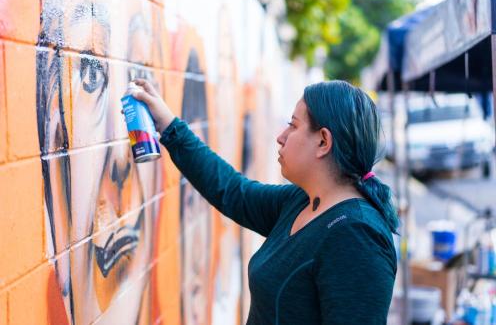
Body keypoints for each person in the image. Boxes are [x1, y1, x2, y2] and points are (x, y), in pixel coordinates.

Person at [131, 78, 398, 324]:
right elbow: (233, 191)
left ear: (323, 141)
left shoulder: (355, 236)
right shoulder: (301, 201)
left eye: (293, 125)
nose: (281, 136)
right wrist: (169, 126)